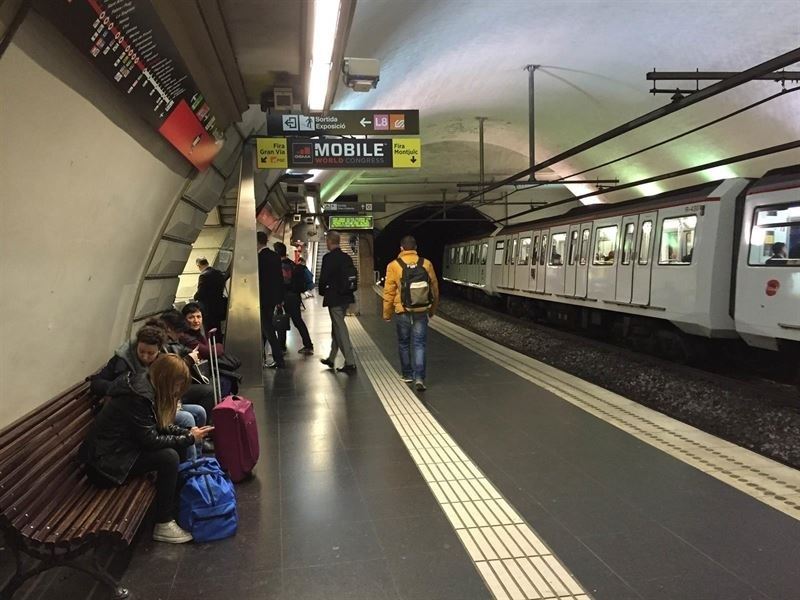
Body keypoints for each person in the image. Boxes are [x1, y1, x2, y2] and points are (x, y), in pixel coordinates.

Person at [79, 354, 214, 544]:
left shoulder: (146, 386)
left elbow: (158, 425)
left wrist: (186, 433)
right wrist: (188, 438)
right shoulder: (138, 398)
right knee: (168, 457)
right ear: (168, 380)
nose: (177, 391)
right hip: (104, 465)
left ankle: (179, 500)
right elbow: (151, 440)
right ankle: (164, 522)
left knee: (174, 448)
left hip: (118, 452)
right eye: (177, 385)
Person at [90, 323, 208, 456]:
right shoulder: (123, 360)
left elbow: (171, 376)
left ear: (159, 349)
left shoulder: (162, 357)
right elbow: (96, 384)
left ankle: (197, 455)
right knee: (186, 418)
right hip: (144, 408)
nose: (145, 357)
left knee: (199, 411)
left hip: (159, 403)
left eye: (150, 353)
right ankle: (190, 464)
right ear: (136, 346)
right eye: (141, 351)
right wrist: (120, 388)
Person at [382, 235, 439, 391]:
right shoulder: (426, 264)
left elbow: (389, 292)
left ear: (401, 249)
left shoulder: (393, 265)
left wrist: (387, 314)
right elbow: (434, 288)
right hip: (421, 310)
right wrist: (432, 309)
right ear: (416, 248)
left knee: (404, 343)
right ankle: (420, 378)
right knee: (419, 344)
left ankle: (407, 374)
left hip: (403, 310)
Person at [318, 231, 357, 373]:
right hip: (346, 297)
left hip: (335, 298)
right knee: (337, 326)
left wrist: (322, 291)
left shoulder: (328, 258)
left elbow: (323, 279)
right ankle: (331, 357)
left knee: (340, 328)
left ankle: (350, 362)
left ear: (329, 241)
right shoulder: (347, 257)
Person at [180, 303, 238, 396]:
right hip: (194, 375)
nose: (196, 321)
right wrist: (219, 345)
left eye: (199, 317)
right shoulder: (185, 337)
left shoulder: (199, 333)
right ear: (184, 320)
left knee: (228, 377)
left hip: (203, 370)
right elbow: (209, 352)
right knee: (225, 379)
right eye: (191, 317)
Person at [274, 242, 314, 354]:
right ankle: (308, 344)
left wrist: (279, 299)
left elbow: (282, 283)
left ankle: (282, 347)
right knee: (298, 321)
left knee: (281, 321)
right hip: (295, 296)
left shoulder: (280, 266)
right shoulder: (292, 264)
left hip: (286, 297)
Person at [257, 231, 286, 368]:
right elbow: (279, 279)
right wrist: (280, 299)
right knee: (264, 327)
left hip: (261, 299)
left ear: (257, 242)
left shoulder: (258, 258)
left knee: (267, 328)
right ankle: (260, 357)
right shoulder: (275, 256)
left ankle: (278, 359)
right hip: (272, 299)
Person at [194, 257, 228, 336]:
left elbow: (201, 292)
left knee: (209, 330)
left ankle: (212, 346)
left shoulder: (204, 275)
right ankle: (219, 345)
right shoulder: (218, 273)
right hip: (218, 307)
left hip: (208, 309)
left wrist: (195, 297)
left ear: (199, 265)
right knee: (217, 329)